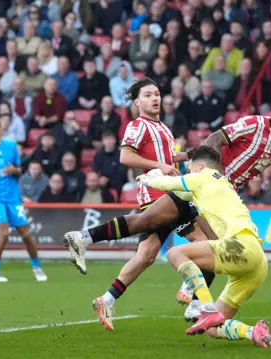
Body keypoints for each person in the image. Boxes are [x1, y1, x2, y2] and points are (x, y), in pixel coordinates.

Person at [63, 95, 271, 323]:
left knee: (166, 245)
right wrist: (212, 173)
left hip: (217, 197)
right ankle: (193, 300)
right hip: (207, 187)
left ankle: (185, 298)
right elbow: (216, 138)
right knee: (163, 230)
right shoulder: (254, 124)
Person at [64, 77, 200, 331]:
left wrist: (191, 155)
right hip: (159, 195)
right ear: (137, 102)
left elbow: (168, 158)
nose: (155, 98)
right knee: (207, 241)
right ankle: (195, 297)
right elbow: (126, 156)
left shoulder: (163, 128)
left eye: (157, 93)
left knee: (146, 257)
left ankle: (106, 300)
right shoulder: (138, 125)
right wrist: (159, 166)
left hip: (169, 192)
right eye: (148, 95)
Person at [137, 146, 271, 347]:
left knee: (175, 253)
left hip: (240, 246)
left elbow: (166, 183)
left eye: (190, 169)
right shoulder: (220, 182)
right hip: (258, 262)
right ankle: (253, 332)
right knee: (212, 329)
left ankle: (206, 306)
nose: (189, 173)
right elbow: (180, 193)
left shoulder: (203, 176)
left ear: (200, 166)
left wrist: (148, 179)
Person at [0, 118, 47, 283]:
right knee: (3, 234)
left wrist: (14, 170)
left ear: (1, 130)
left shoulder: (11, 147)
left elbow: (19, 170)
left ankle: (37, 268)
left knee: (26, 234)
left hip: (13, 199)